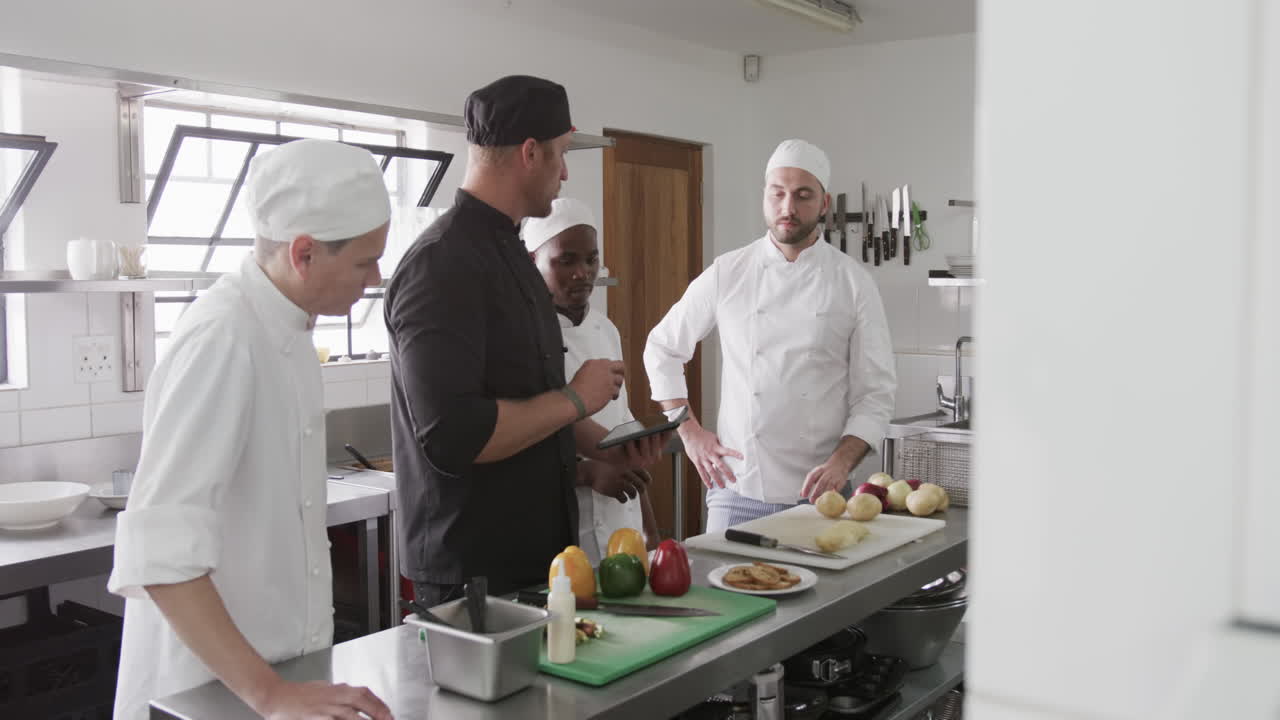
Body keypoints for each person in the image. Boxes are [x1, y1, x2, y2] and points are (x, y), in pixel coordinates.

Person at [108, 139, 394, 720]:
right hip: (206, 692)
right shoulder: (222, 336)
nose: (376, 276)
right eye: (364, 262)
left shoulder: (289, 329)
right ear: (304, 253)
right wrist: (269, 692)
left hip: (272, 683)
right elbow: (158, 556)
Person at [386, 76, 663, 605]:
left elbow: (534, 402)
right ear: (530, 153)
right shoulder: (441, 265)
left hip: (540, 554)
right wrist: (577, 396)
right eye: (562, 154)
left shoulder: (510, 253)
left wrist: (611, 448)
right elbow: (455, 435)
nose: (565, 173)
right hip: (474, 566)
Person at [643, 139, 896, 531]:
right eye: (777, 193)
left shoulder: (853, 283)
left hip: (822, 495)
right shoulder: (729, 271)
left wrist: (842, 463)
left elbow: (875, 394)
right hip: (736, 489)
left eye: (803, 195)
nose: (788, 208)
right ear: (765, 196)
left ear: (824, 204)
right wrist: (689, 432)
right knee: (724, 574)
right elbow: (662, 348)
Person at [523, 198, 662, 564]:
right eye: (566, 260)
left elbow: (623, 425)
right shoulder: (525, 337)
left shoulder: (606, 328)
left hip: (623, 520)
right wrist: (586, 473)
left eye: (591, 259)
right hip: (561, 526)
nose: (583, 273)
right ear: (533, 260)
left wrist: (651, 531)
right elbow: (530, 437)